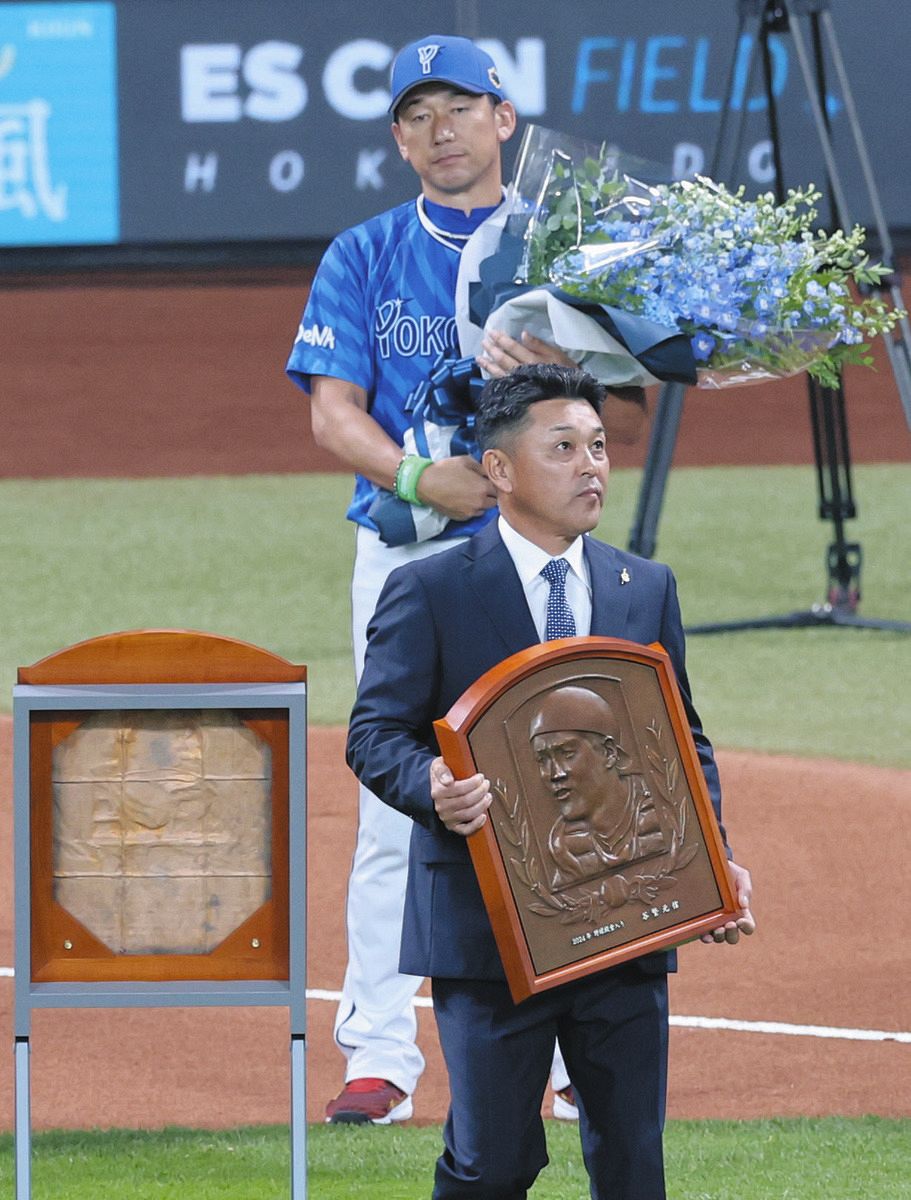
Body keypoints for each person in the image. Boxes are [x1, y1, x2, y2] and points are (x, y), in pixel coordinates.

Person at [285, 35, 642, 1123]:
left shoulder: (564, 244)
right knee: (398, 790)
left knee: (570, 773)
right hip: (404, 554)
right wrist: (415, 474)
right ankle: (380, 1055)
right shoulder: (361, 251)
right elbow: (328, 409)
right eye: (417, 114)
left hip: (537, 553)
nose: (440, 129)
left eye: (459, 106)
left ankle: (581, 1046)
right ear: (398, 137)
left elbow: (618, 399)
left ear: (502, 118)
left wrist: (550, 373)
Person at [347, 362, 754, 1198]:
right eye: (562, 446)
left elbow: (681, 741)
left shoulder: (643, 587)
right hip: (487, 928)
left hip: (626, 918)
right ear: (498, 469)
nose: (591, 465)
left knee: (633, 1159)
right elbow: (373, 735)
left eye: (598, 447)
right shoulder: (426, 589)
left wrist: (708, 863)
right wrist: (430, 784)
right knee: (492, 1162)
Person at [529, 686, 669, 887]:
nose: (555, 773)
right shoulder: (562, 849)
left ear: (609, 753)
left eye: (567, 753)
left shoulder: (661, 809)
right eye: (542, 760)